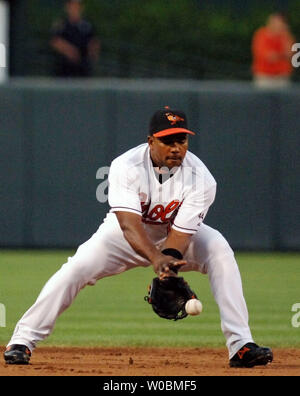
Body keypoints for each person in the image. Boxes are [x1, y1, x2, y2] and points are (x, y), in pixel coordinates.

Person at [4, 107, 273, 368]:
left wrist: (167, 267)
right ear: (151, 141)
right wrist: (155, 258)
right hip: (123, 237)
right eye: (168, 141)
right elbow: (129, 225)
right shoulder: (126, 165)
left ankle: (241, 345)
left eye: (181, 140)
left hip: (171, 236)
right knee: (75, 269)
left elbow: (180, 235)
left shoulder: (202, 178)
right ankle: (22, 340)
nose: (176, 148)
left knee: (219, 250)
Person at [50, 0, 100, 77]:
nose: (75, 8)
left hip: (82, 72)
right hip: (63, 72)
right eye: (72, 5)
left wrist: (92, 56)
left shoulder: (87, 26)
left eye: (78, 6)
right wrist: (69, 51)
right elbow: (55, 41)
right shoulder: (61, 25)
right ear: (67, 7)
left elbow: (94, 43)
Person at [251, 13, 295, 88]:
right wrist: (281, 55)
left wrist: (284, 35)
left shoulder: (286, 36)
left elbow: (290, 54)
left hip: (282, 76)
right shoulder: (261, 34)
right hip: (264, 76)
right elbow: (270, 57)